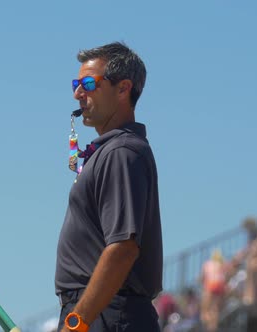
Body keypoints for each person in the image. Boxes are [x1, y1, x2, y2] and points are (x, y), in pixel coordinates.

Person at [55, 41, 162, 332]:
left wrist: (77, 322)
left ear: (123, 89)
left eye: (89, 83)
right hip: (101, 312)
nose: (78, 93)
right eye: (76, 83)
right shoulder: (113, 151)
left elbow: (123, 248)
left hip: (107, 315)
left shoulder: (121, 151)